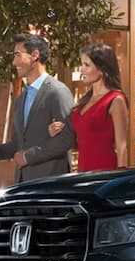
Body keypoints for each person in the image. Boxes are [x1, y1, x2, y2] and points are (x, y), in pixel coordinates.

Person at [0, 34, 77, 182]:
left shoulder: (57, 92)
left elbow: (67, 139)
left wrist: (28, 156)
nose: (14, 62)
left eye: (18, 55)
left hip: (50, 183)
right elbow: (18, 144)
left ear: (35, 55)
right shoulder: (21, 99)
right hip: (24, 183)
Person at [47, 43, 130, 171]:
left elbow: (122, 145)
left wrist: (119, 180)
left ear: (102, 69)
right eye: (82, 64)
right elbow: (81, 139)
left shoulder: (115, 100)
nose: (81, 70)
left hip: (105, 172)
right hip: (83, 172)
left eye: (87, 65)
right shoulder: (84, 103)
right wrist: (56, 132)